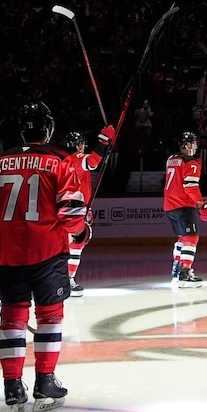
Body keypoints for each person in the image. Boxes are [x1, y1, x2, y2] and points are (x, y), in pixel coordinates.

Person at [0, 102, 85, 412]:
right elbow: (71, 212)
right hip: (48, 252)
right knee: (50, 316)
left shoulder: (0, 163)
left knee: (12, 318)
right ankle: (45, 382)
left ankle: (12, 386)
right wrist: (81, 232)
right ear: (49, 129)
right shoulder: (61, 161)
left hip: (8, 254)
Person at [62, 126, 114, 296]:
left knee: (62, 245)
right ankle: (67, 279)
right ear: (78, 145)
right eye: (82, 144)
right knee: (77, 244)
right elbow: (92, 162)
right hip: (75, 209)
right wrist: (102, 143)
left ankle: (57, 279)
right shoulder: (77, 157)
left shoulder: (59, 160)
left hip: (59, 208)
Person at [164, 131, 207, 286]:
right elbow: (190, 187)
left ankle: (176, 271)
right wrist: (202, 204)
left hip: (169, 205)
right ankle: (185, 272)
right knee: (191, 238)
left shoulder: (171, 159)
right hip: (183, 205)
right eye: (194, 142)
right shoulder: (190, 162)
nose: (196, 146)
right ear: (187, 144)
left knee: (182, 239)